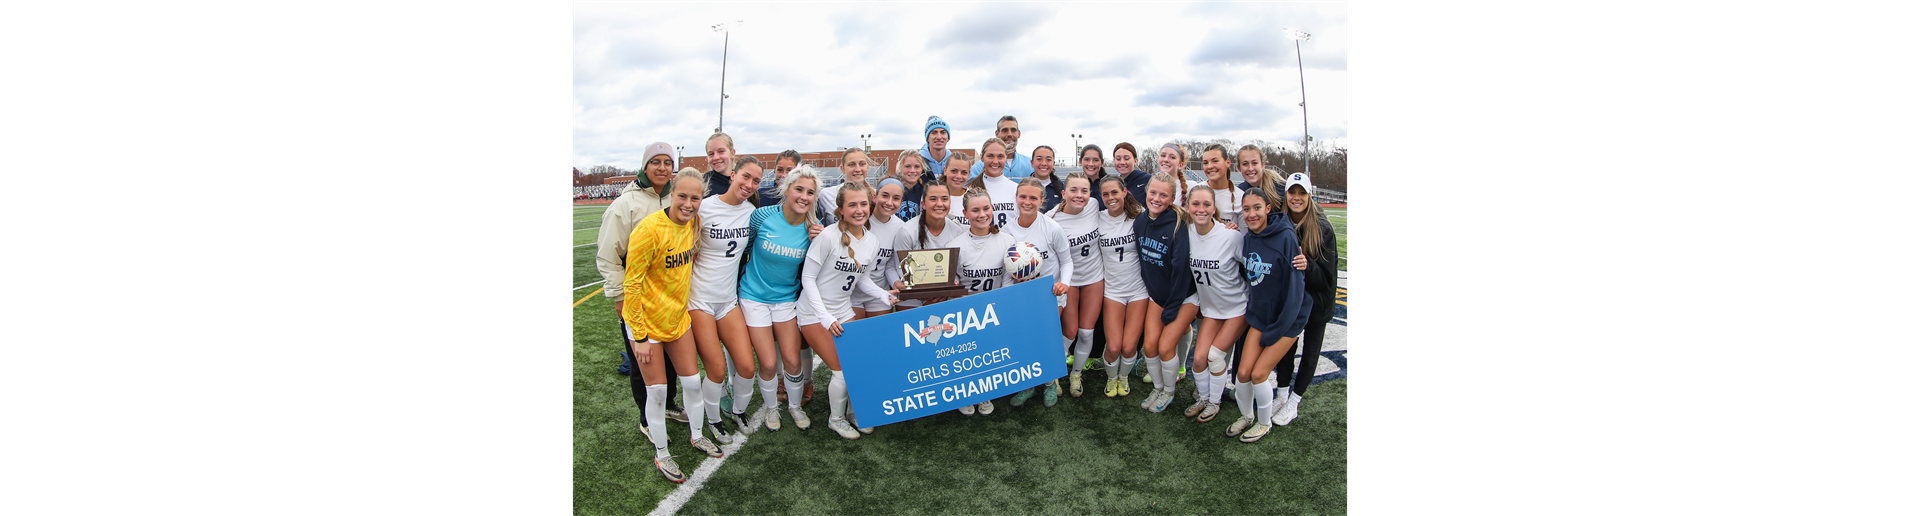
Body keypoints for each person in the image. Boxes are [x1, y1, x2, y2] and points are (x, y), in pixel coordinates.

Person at [622, 168, 719, 483]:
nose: (689, 204)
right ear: (671, 194)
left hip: (678, 321)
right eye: (682, 196)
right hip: (647, 326)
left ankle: (696, 434)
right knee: (659, 393)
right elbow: (632, 286)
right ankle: (662, 454)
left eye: (695, 198)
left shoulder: (694, 224)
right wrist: (639, 337)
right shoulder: (648, 229)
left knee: (692, 383)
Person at [797, 179, 899, 439]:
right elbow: (807, 279)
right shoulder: (828, 237)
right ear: (840, 209)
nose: (859, 210)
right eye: (852, 205)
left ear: (871, 204)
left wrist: (884, 295)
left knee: (861, 364)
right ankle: (836, 418)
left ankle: (856, 412)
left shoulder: (872, 240)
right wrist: (825, 317)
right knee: (842, 370)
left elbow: (862, 279)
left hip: (843, 310)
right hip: (814, 313)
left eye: (863, 204)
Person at [596, 142, 687, 431]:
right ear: (645, 166)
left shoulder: (675, 198)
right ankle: (647, 419)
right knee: (641, 361)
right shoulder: (625, 204)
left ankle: (669, 404)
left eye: (667, 162)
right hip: (638, 299)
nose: (662, 168)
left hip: (669, 300)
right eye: (656, 162)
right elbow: (609, 255)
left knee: (671, 360)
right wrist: (619, 296)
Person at [738, 166, 827, 432]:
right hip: (753, 297)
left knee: (792, 361)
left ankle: (795, 407)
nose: (804, 196)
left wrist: (816, 242)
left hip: (786, 299)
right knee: (767, 362)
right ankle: (771, 408)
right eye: (799, 189)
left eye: (810, 192)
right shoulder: (762, 216)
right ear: (786, 189)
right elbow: (745, 249)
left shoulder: (813, 229)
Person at [1227, 183, 1312, 443]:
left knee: (1258, 374)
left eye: (1256, 208)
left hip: (1288, 319)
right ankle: (1246, 416)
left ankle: (1264, 423)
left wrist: (1277, 330)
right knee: (1242, 374)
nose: (1251, 214)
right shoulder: (1249, 238)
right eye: (1246, 210)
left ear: (1268, 208)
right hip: (1261, 316)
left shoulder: (1285, 237)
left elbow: (1296, 291)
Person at [688, 156, 766, 441]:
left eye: (756, 181)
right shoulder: (705, 206)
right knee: (717, 370)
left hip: (727, 299)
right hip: (699, 299)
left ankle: (738, 411)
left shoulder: (751, 212)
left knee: (746, 367)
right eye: (745, 176)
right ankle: (713, 420)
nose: (749, 184)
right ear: (733, 174)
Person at [1272, 171, 1338, 427]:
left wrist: (1307, 266)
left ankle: (1294, 401)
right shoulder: (1279, 223)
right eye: (1292, 192)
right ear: (1286, 195)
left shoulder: (1322, 228)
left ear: (1310, 196)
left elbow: (1327, 280)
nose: (1296, 197)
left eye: (1302, 193)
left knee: (1310, 354)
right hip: (1291, 302)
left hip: (1317, 305)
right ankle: (1281, 393)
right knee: (1286, 351)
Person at [1002, 176, 1074, 408]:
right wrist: (1007, 293)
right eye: (1023, 196)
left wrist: (1064, 284)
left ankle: (1050, 383)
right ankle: (1027, 385)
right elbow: (1005, 267)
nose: (1027, 201)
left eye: (1033, 197)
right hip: (1020, 296)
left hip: (1049, 296)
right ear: (1016, 198)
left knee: (1046, 340)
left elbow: (1067, 262)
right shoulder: (1007, 230)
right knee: (1024, 341)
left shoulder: (1052, 228)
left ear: (1042, 200)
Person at [1178, 185, 1247, 423]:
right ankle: (1204, 399)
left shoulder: (1230, 236)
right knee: (1198, 360)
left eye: (1207, 204)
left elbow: (1254, 264)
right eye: (1196, 204)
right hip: (1211, 310)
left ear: (1214, 207)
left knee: (1215, 357)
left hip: (1237, 307)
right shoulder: (1185, 233)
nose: (1201, 209)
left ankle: (1214, 403)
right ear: (1188, 207)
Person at [1132, 169, 1197, 414]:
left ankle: (1169, 391)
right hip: (1157, 297)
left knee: (1166, 347)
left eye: (1163, 195)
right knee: (1149, 346)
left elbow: (1181, 271)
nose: (1157, 199)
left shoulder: (1179, 224)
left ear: (1171, 198)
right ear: (1146, 192)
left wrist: (1171, 307)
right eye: (1153, 193)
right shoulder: (1140, 222)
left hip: (1183, 297)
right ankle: (1158, 387)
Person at [952, 187, 1016, 416]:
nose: (982, 214)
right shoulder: (956, 244)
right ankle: (965, 393)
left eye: (986, 208)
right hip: (966, 310)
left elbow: (1010, 277)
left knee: (989, 351)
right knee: (966, 354)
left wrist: (999, 304)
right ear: (965, 213)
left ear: (993, 209)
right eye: (975, 210)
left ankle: (985, 392)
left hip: (995, 308)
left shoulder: (1007, 240)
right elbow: (954, 282)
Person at [1047, 172, 1104, 398]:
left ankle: (1076, 374)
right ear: (1063, 193)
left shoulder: (1094, 206)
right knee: (1069, 332)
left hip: (1093, 277)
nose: (1079, 195)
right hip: (1068, 281)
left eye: (1084, 190)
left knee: (1087, 332)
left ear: (1090, 194)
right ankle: (1054, 375)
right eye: (1073, 190)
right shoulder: (1052, 219)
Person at [1096, 174, 1148, 400]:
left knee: (1129, 348)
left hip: (1138, 290)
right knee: (1114, 347)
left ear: (1124, 192)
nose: (1110, 197)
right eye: (1105, 194)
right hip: (1113, 291)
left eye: (1114, 192)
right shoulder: (1097, 218)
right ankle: (1111, 377)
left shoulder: (1140, 216)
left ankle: (1123, 377)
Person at [890, 164, 964, 314]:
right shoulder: (907, 231)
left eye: (944, 199)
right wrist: (924, 295)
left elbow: (956, 271)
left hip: (944, 297)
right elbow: (899, 270)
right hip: (912, 298)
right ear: (923, 204)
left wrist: (946, 290)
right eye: (933, 199)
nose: (939, 204)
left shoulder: (957, 230)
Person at [852, 175, 911, 320]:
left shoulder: (900, 227)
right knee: (856, 338)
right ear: (874, 197)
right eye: (885, 196)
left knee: (876, 339)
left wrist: (895, 283)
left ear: (901, 202)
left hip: (880, 293)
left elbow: (891, 264)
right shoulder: (859, 219)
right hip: (852, 293)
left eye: (896, 198)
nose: (889, 202)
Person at [965, 138, 1020, 230]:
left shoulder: (1016, 189)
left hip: (1009, 243)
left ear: (1006, 157)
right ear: (982, 158)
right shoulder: (970, 189)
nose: (995, 161)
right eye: (990, 156)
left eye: (1000, 156)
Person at [968, 116, 1036, 180]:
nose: (1009, 134)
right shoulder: (979, 168)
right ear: (997, 134)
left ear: (1019, 134)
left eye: (1013, 130)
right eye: (1005, 130)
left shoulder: (1031, 165)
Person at [702, 133, 746, 205]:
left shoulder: (742, 182)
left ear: (732, 153)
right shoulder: (702, 183)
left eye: (721, 151)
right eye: (711, 154)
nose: (716, 157)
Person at [917, 116, 957, 186]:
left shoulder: (954, 162)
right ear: (927, 138)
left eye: (943, 132)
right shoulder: (917, 162)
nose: (939, 137)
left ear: (948, 137)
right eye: (934, 132)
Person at [893, 150, 928, 222]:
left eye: (917, 166)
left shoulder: (926, 192)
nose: (912, 170)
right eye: (907, 166)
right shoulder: (891, 189)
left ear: (922, 169)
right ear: (900, 168)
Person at [1028, 145, 1065, 213]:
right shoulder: (1024, 186)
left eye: (1048, 160)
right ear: (1032, 163)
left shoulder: (1061, 187)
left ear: (1053, 164)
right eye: (1039, 159)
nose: (1044, 163)